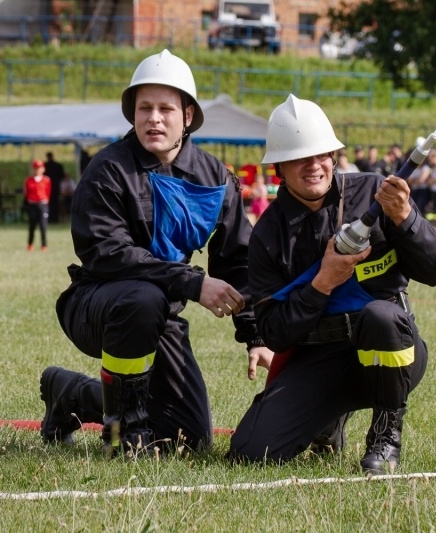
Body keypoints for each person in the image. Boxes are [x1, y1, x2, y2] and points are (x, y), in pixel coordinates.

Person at [37, 49, 268, 458]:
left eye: (165, 108)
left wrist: (256, 335)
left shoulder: (214, 179)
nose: (153, 119)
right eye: (144, 108)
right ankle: (123, 435)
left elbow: (238, 259)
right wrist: (194, 283)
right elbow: (107, 252)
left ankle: (70, 394)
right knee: (143, 298)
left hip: (161, 317)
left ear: (188, 116)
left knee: (190, 441)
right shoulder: (108, 169)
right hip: (100, 306)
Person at [227, 94, 436, 475]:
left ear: (334, 156)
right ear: (279, 166)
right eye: (300, 157)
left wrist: (406, 218)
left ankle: (385, 437)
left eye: (322, 154)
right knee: (250, 451)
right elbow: (276, 333)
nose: (314, 166)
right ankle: (328, 421)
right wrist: (322, 283)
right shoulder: (267, 234)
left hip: (390, 350)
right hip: (319, 357)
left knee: (381, 315)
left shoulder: (376, 192)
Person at [24, 159, 51, 251]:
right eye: (36, 168)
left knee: (43, 226)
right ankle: (30, 244)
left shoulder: (46, 180)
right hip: (32, 205)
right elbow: (27, 193)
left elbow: (48, 192)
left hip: (42, 204)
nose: (37, 170)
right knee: (32, 226)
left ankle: (44, 245)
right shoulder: (29, 180)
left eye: (39, 168)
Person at [45, 152, 65, 224]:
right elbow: (62, 176)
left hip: (48, 188)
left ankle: (50, 218)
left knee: (49, 203)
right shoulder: (58, 166)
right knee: (55, 203)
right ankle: (55, 218)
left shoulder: (45, 166)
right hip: (56, 187)